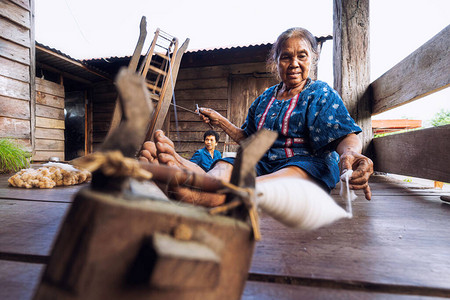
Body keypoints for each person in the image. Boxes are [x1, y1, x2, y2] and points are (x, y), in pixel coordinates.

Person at [140, 27, 373, 207]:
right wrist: (220, 120)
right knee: (231, 163)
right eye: (285, 57)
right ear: (276, 62)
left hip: (306, 164)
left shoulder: (320, 93)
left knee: (295, 172)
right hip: (262, 164)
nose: (294, 63)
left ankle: (216, 196)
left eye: (301, 56)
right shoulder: (265, 99)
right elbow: (249, 140)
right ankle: (201, 180)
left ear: (313, 57)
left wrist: (350, 153)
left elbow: (345, 135)